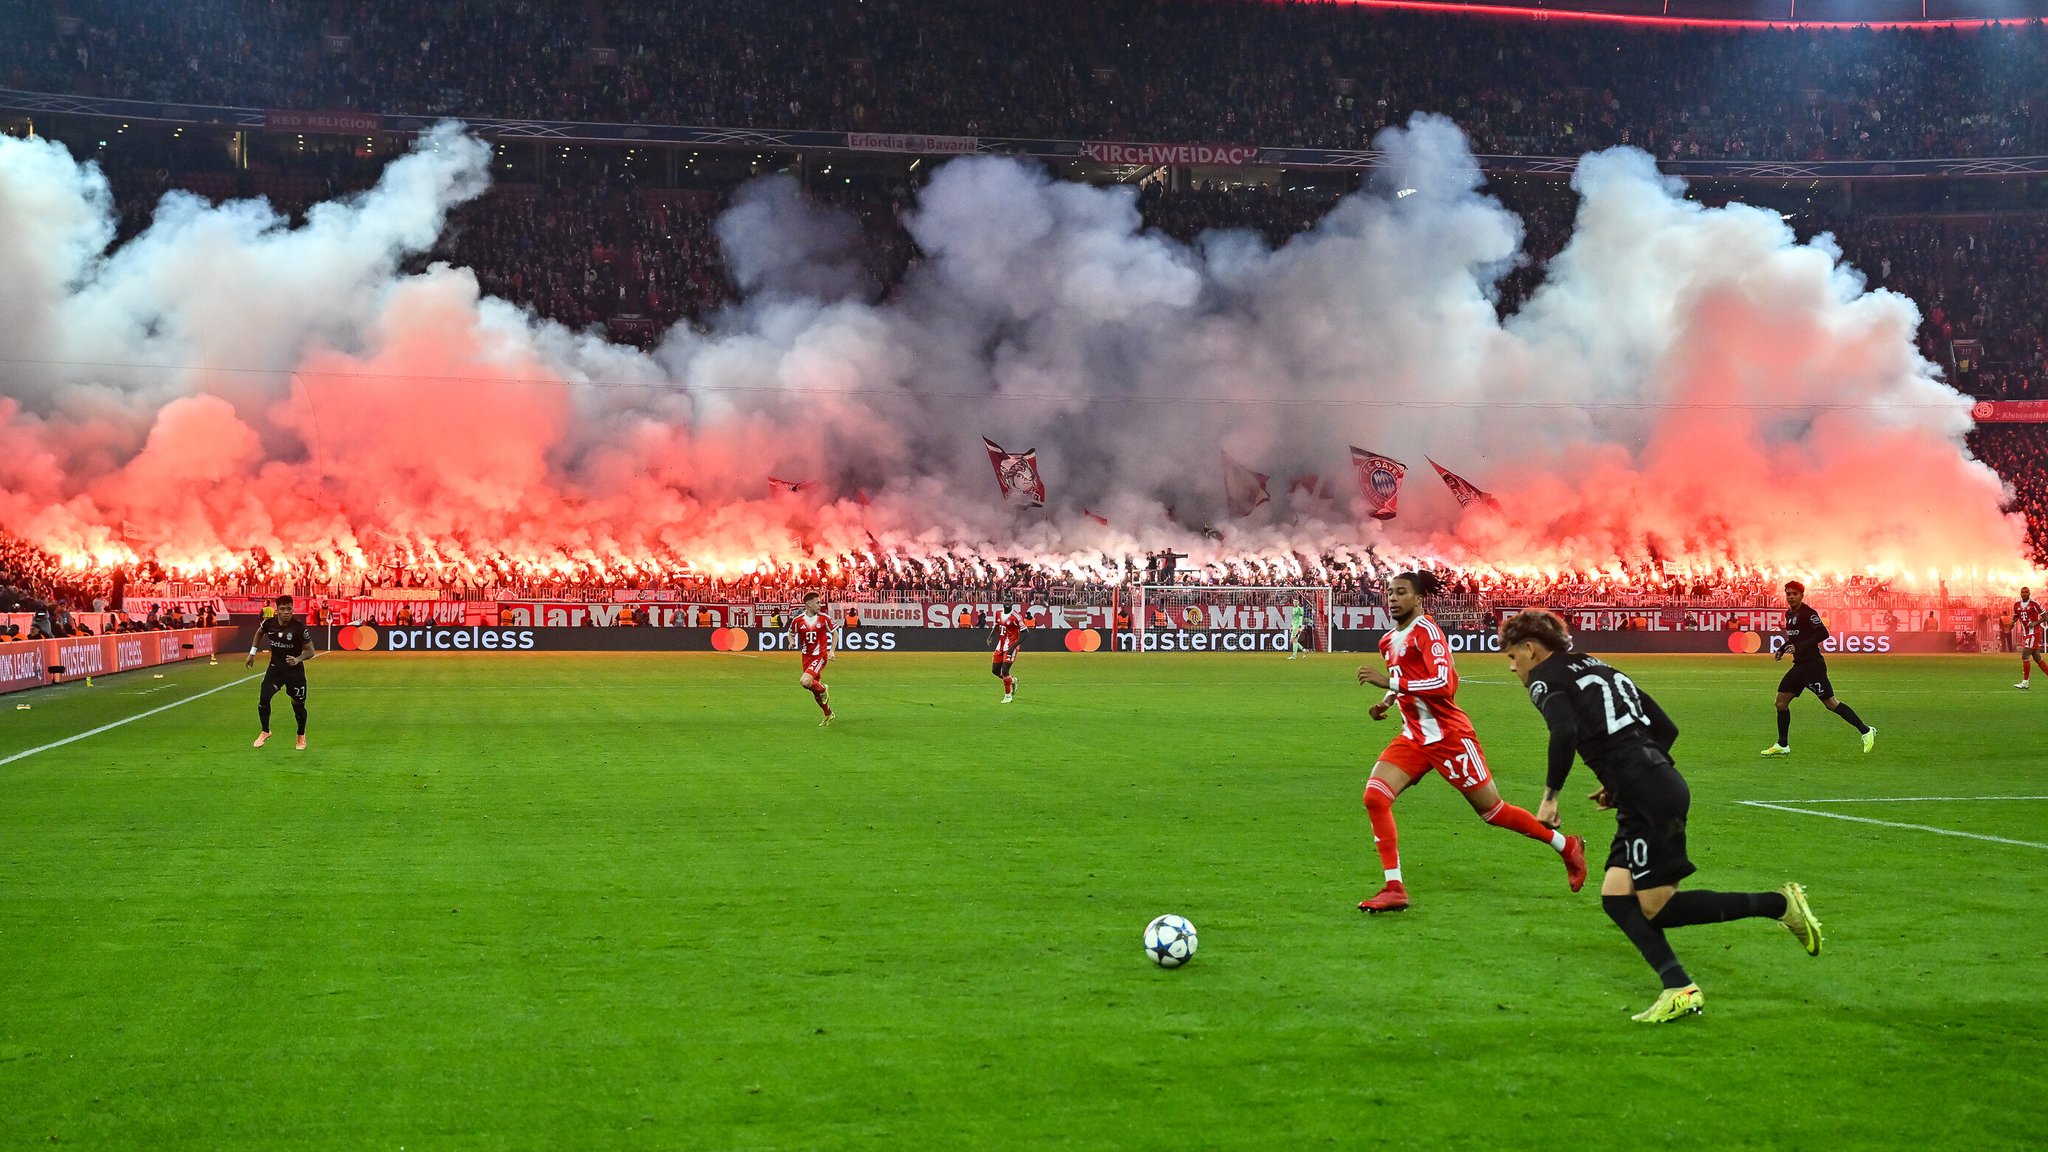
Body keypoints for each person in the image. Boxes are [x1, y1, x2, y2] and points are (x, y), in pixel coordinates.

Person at [1499, 608, 1822, 1023]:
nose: (1511, 667)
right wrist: (1627, 778)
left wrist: (1550, 796)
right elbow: (1666, 728)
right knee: (1617, 897)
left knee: (1659, 907)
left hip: (1647, 792)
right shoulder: (1602, 667)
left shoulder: (1545, 678)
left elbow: (1564, 732)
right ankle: (1678, 986)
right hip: (1652, 785)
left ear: (1530, 649)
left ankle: (1778, 904)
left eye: (1512, 657)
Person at [1354, 570, 1586, 913]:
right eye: (1389, 592)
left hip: (1448, 736)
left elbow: (1445, 684)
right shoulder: (1388, 641)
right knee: (1375, 797)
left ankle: (1566, 845)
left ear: (1418, 599)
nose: (1392, 597)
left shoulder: (1428, 633)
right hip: (1414, 736)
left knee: (1492, 811)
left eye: (1401, 592)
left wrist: (1389, 683)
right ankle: (1394, 887)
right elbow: (1405, 678)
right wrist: (1386, 702)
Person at [1761, 581, 1874, 756]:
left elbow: (1823, 633)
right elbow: (1794, 638)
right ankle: (1783, 744)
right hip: (1799, 667)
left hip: (1813, 667)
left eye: (1794, 594)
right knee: (1780, 703)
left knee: (1831, 704)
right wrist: (1782, 649)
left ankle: (1866, 731)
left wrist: (1800, 647)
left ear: (1801, 595)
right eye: (1788, 594)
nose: (1791, 597)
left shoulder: (1808, 613)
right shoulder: (1788, 615)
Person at [245, 593, 315, 750]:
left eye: (289, 609)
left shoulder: (299, 628)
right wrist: (252, 652)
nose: (286, 612)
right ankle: (265, 731)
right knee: (264, 699)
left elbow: (311, 651)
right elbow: (259, 632)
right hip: (275, 669)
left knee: (298, 705)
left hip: (295, 672)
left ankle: (301, 735)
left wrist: (298, 659)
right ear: (277, 610)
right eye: (282, 609)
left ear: (293, 610)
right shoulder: (269, 623)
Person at [790, 591, 835, 725]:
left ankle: (823, 688)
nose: (820, 605)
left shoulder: (824, 618)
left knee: (804, 681)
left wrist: (831, 651)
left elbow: (835, 633)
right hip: (806, 658)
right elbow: (790, 634)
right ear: (809, 604)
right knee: (811, 688)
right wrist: (792, 641)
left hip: (820, 656)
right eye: (817, 602)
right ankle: (828, 714)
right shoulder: (797, 620)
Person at [989, 601, 1026, 702]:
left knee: (1005, 671)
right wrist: (991, 636)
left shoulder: (1016, 616)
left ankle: (1008, 696)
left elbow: (1026, 633)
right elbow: (997, 625)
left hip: (1010, 646)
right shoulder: (998, 612)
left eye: (1009, 601)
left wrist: (1013, 647)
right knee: (995, 671)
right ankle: (1012, 681)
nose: (1007, 603)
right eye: (1006, 601)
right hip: (1000, 645)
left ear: (1012, 603)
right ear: (1003, 602)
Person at [2012, 587, 2046, 689]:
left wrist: (2035, 623)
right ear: (2020, 593)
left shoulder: (2034, 604)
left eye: (2026, 592)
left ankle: (2025, 682)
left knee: (2025, 655)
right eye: (2022, 592)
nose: (2024, 594)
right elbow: (2016, 616)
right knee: (2037, 657)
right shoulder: (2017, 605)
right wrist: (2012, 622)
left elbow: (2045, 616)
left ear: (2029, 593)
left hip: (2034, 633)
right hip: (2026, 633)